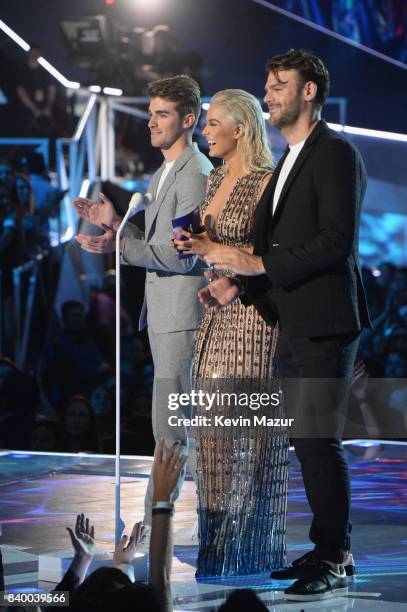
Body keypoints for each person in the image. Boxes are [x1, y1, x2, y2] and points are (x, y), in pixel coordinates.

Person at [202, 49, 371, 601]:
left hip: (324, 321)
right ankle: (325, 545)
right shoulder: (289, 159)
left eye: (279, 85)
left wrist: (257, 265)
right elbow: (277, 246)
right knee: (307, 442)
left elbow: (334, 242)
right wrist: (240, 283)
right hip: (292, 320)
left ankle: (336, 557)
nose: (269, 94)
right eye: (267, 84)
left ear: (309, 92)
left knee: (320, 441)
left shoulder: (335, 153)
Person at [74, 75, 213, 534]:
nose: (151, 122)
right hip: (165, 313)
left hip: (181, 315)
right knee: (168, 424)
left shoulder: (194, 175)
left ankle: (164, 525)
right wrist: (115, 231)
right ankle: (165, 519)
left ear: (188, 119)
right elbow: (155, 244)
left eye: (162, 114)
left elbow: (180, 255)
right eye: (151, 113)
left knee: (174, 426)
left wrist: (121, 246)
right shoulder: (164, 172)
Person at [173, 89, 289, 576]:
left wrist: (228, 268)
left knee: (254, 438)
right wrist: (197, 248)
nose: (204, 130)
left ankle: (254, 547)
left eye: (212, 123)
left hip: (254, 322)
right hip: (216, 318)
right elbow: (213, 248)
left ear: (239, 130)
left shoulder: (266, 184)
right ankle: (217, 545)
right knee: (215, 438)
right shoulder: (215, 177)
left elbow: (272, 257)